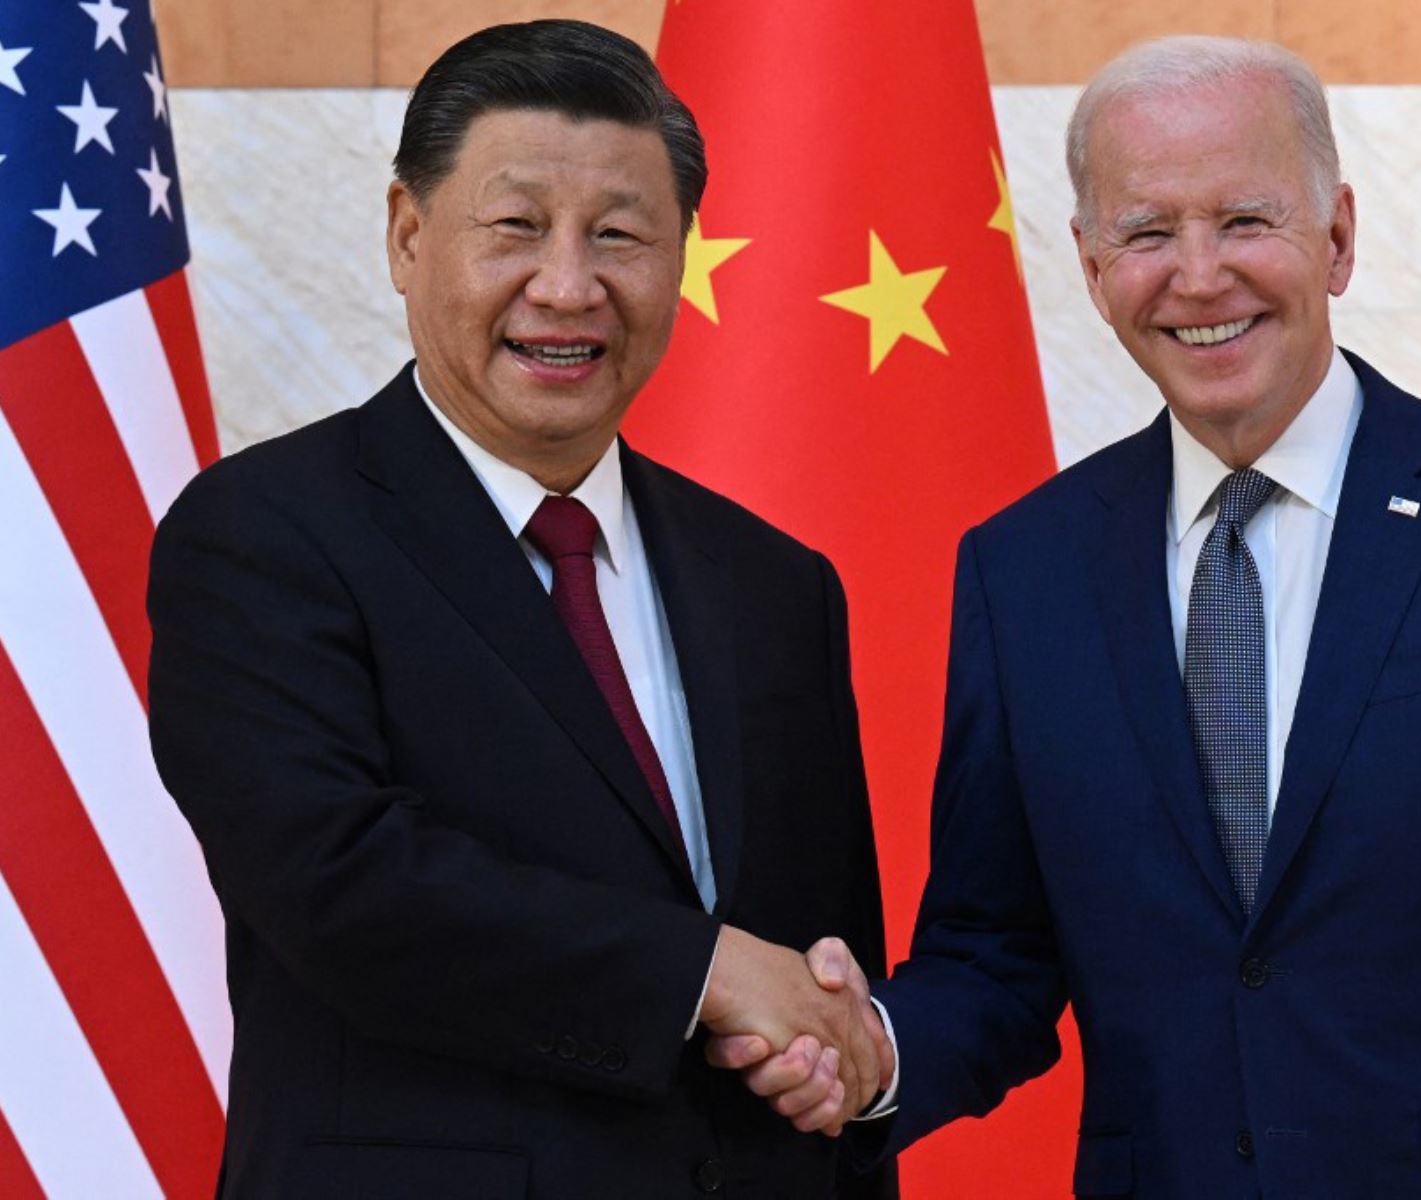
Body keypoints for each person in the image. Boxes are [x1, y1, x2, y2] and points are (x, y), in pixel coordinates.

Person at [717, 34, 1421, 1197]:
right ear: (1093, 268)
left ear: (1339, 238)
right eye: (1148, 233)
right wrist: (869, 1054)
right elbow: (997, 951)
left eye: (1245, 221)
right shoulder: (1025, 568)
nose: (1198, 276)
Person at [147, 20, 891, 1198]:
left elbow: (823, 969)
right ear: (406, 235)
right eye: (516, 227)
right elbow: (341, 886)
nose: (567, 285)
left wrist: (832, 1058)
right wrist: (700, 973)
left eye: (620, 236)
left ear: (682, 257)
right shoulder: (264, 534)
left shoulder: (773, 581)